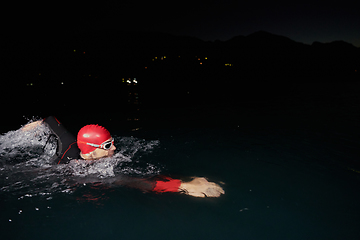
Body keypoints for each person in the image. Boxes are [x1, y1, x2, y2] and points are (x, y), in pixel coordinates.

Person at [21, 116, 225, 198]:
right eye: (108, 145)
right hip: (45, 173)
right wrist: (184, 186)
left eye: (112, 141)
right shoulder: (84, 169)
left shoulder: (69, 140)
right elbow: (131, 181)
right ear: (91, 151)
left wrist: (16, 136)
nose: (114, 147)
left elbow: (48, 120)